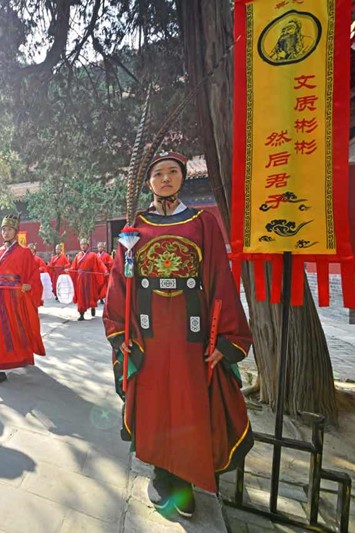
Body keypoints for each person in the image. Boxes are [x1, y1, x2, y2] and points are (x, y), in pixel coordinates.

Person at [103, 151, 253, 518]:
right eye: (158, 173)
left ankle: (184, 477)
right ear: (149, 182)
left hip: (191, 330)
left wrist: (224, 339)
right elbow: (121, 279)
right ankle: (160, 472)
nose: (165, 178)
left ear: (183, 178)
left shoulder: (203, 223)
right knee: (154, 403)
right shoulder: (134, 228)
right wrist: (121, 329)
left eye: (172, 172)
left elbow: (219, 276)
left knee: (188, 402)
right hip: (148, 330)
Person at [0, 214, 46, 386]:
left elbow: (33, 275)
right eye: (3, 230)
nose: (5, 232)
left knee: (19, 328)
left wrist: (29, 285)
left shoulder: (24, 252)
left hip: (17, 296)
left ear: (15, 231)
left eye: (8, 229)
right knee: (0, 331)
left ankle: (23, 356)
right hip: (0, 296)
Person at [70, 238, 107, 320]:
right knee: (81, 295)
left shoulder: (93, 255)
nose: (83, 246)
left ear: (88, 246)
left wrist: (105, 270)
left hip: (90, 278)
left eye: (85, 244)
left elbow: (100, 264)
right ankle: (81, 313)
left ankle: (92, 307)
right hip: (80, 278)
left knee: (91, 293)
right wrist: (69, 270)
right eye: (82, 245)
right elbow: (74, 267)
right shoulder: (78, 256)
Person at [28, 243, 48, 307]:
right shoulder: (25, 259)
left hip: (36, 281)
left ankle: (35, 306)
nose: (30, 250)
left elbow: (44, 267)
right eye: (29, 249)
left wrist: (39, 269)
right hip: (27, 280)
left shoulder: (38, 259)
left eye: (32, 249)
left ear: (34, 250)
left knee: (36, 294)